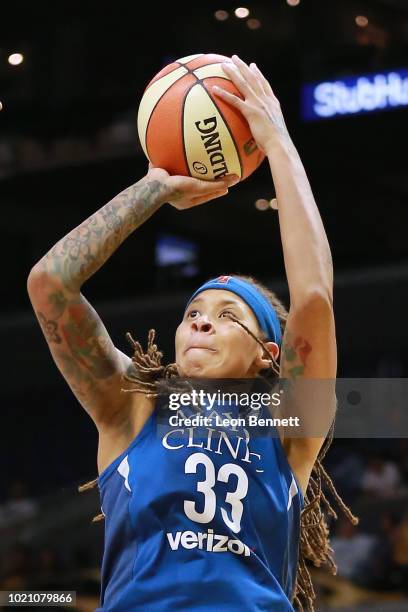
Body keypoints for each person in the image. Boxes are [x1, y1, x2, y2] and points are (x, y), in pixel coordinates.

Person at [27, 55, 357, 611]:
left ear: (267, 355)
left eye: (229, 315)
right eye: (194, 312)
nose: (202, 320)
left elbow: (315, 298)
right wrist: (154, 186)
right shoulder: (130, 407)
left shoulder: (288, 427)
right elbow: (50, 284)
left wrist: (277, 142)